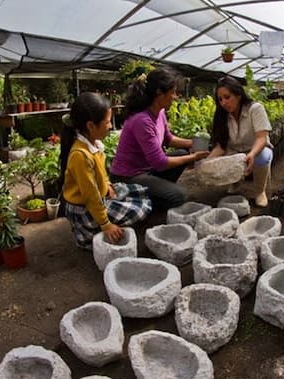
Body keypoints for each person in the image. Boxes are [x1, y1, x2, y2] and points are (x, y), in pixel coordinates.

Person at [59, 92, 152, 249]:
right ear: (90, 126)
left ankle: (98, 225)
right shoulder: (80, 155)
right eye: (107, 122)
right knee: (142, 208)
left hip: (98, 197)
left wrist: (107, 185)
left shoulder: (92, 144)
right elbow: (90, 196)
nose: (111, 126)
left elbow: (99, 176)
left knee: (138, 191)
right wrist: (106, 224)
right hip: (84, 209)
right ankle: (90, 233)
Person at [110, 67, 209, 210]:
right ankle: (138, 203)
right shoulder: (142, 120)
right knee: (179, 196)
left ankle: (156, 192)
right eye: (173, 92)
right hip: (128, 177)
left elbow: (168, 139)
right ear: (159, 93)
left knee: (181, 154)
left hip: (146, 169)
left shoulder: (160, 112)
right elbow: (160, 163)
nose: (176, 97)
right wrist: (194, 157)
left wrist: (196, 143)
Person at [208, 76, 273, 207]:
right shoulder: (222, 116)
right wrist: (206, 162)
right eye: (220, 99)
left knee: (263, 157)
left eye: (227, 97)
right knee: (221, 159)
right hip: (235, 151)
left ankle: (260, 191)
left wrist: (252, 154)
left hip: (256, 149)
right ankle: (236, 181)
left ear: (238, 94)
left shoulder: (255, 109)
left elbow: (262, 137)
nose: (224, 103)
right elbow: (220, 146)